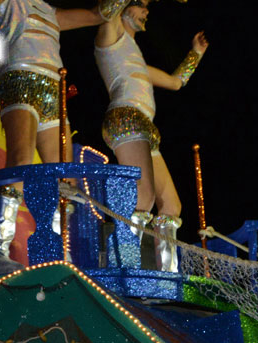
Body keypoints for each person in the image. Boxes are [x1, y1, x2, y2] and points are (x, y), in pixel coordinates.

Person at [0, 0, 128, 274]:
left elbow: (98, 13)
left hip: (54, 90)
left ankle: (56, 254)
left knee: (64, 177)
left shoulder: (52, 13)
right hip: (20, 80)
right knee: (20, 160)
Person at [95, 0, 207, 272]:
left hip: (144, 128)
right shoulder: (110, 36)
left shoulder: (139, 62)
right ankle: (126, 269)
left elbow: (176, 82)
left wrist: (196, 53)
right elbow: (108, 9)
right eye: (141, 5)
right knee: (142, 197)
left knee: (171, 205)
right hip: (126, 119)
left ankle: (166, 275)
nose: (147, 12)